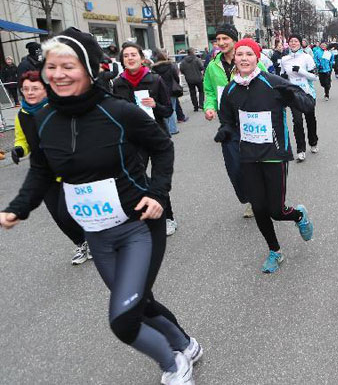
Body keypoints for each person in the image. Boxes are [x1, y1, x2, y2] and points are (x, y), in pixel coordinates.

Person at [0, 27, 201, 384]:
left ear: (89, 69)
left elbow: (162, 147)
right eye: (51, 66)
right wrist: (18, 207)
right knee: (140, 301)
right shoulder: (43, 119)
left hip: (138, 226)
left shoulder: (118, 112)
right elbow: (41, 170)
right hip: (97, 235)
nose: (58, 74)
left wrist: (157, 194)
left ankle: (173, 364)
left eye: (69, 66)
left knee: (124, 319)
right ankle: (185, 343)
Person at [216, 38, 315, 273]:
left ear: (257, 57)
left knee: (276, 210)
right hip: (248, 155)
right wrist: (226, 131)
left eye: (249, 54)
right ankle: (275, 251)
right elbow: (228, 119)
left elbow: (308, 104)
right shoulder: (231, 89)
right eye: (239, 54)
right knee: (259, 208)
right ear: (235, 59)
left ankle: (298, 214)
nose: (243, 58)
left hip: (274, 154)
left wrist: (292, 98)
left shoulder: (272, 82)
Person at [10, 70, 90, 264]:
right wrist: (19, 150)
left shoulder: (58, 109)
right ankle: (82, 244)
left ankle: (98, 239)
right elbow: (22, 139)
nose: (29, 92)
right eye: (25, 89)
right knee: (58, 216)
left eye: (35, 88)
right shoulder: (22, 115)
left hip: (68, 169)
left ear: (46, 90)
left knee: (68, 212)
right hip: (43, 173)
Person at [112, 42, 178, 237]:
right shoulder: (117, 83)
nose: (130, 58)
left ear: (142, 58)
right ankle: (142, 216)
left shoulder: (155, 80)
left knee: (159, 179)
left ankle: (168, 217)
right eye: (126, 56)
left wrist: (155, 105)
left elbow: (169, 110)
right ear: (122, 61)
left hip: (156, 136)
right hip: (132, 139)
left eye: (134, 55)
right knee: (137, 178)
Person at [203, 24, 264, 219]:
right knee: (235, 167)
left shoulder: (248, 59)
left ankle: (258, 198)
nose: (220, 43)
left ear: (234, 40)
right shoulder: (213, 66)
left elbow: (267, 83)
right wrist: (209, 107)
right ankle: (249, 198)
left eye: (225, 39)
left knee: (256, 164)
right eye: (218, 40)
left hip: (252, 119)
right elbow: (210, 91)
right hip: (228, 123)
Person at [280, 35, 319, 161]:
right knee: (297, 121)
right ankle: (300, 149)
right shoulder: (284, 59)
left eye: (295, 41)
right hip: (293, 94)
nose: (293, 43)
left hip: (307, 93)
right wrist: (284, 77)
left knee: (310, 119)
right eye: (291, 41)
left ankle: (313, 143)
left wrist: (301, 71)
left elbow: (315, 77)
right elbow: (281, 76)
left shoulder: (307, 57)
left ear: (300, 43)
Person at [151, 51, 182, 135]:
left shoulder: (154, 68)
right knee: (172, 109)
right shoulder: (170, 65)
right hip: (171, 89)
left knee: (163, 110)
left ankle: (166, 129)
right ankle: (173, 129)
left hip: (160, 91)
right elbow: (176, 77)